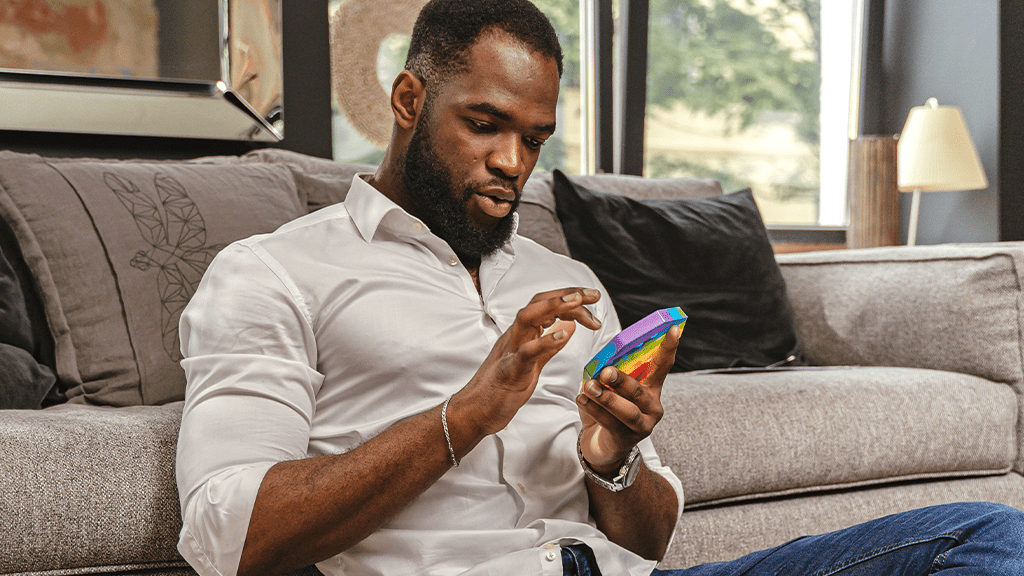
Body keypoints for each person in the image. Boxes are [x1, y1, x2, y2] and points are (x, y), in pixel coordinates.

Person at [174, 1, 1024, 575]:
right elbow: (226, 533)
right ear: (408, 99)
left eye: (535, 138)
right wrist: (468, 413)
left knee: (987, 538)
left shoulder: (566, 284)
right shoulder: (274, 272)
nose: (512, 163)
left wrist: (613, 462)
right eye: (485, 124)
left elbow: (650, 543)